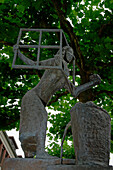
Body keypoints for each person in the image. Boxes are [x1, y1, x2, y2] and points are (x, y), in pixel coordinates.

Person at [17, 46, 101, 158]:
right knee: (41, 118)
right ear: (64, 52)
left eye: (72, 53)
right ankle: (40, 152)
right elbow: (33, 63)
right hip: (33, 96)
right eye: (69, 52)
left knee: (40, 120)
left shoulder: (65, 75)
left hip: (41, 102)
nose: (71, 55)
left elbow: (75, 92)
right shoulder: (54, 62)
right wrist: (18, 52)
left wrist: (93, 83)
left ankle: (31, 155)